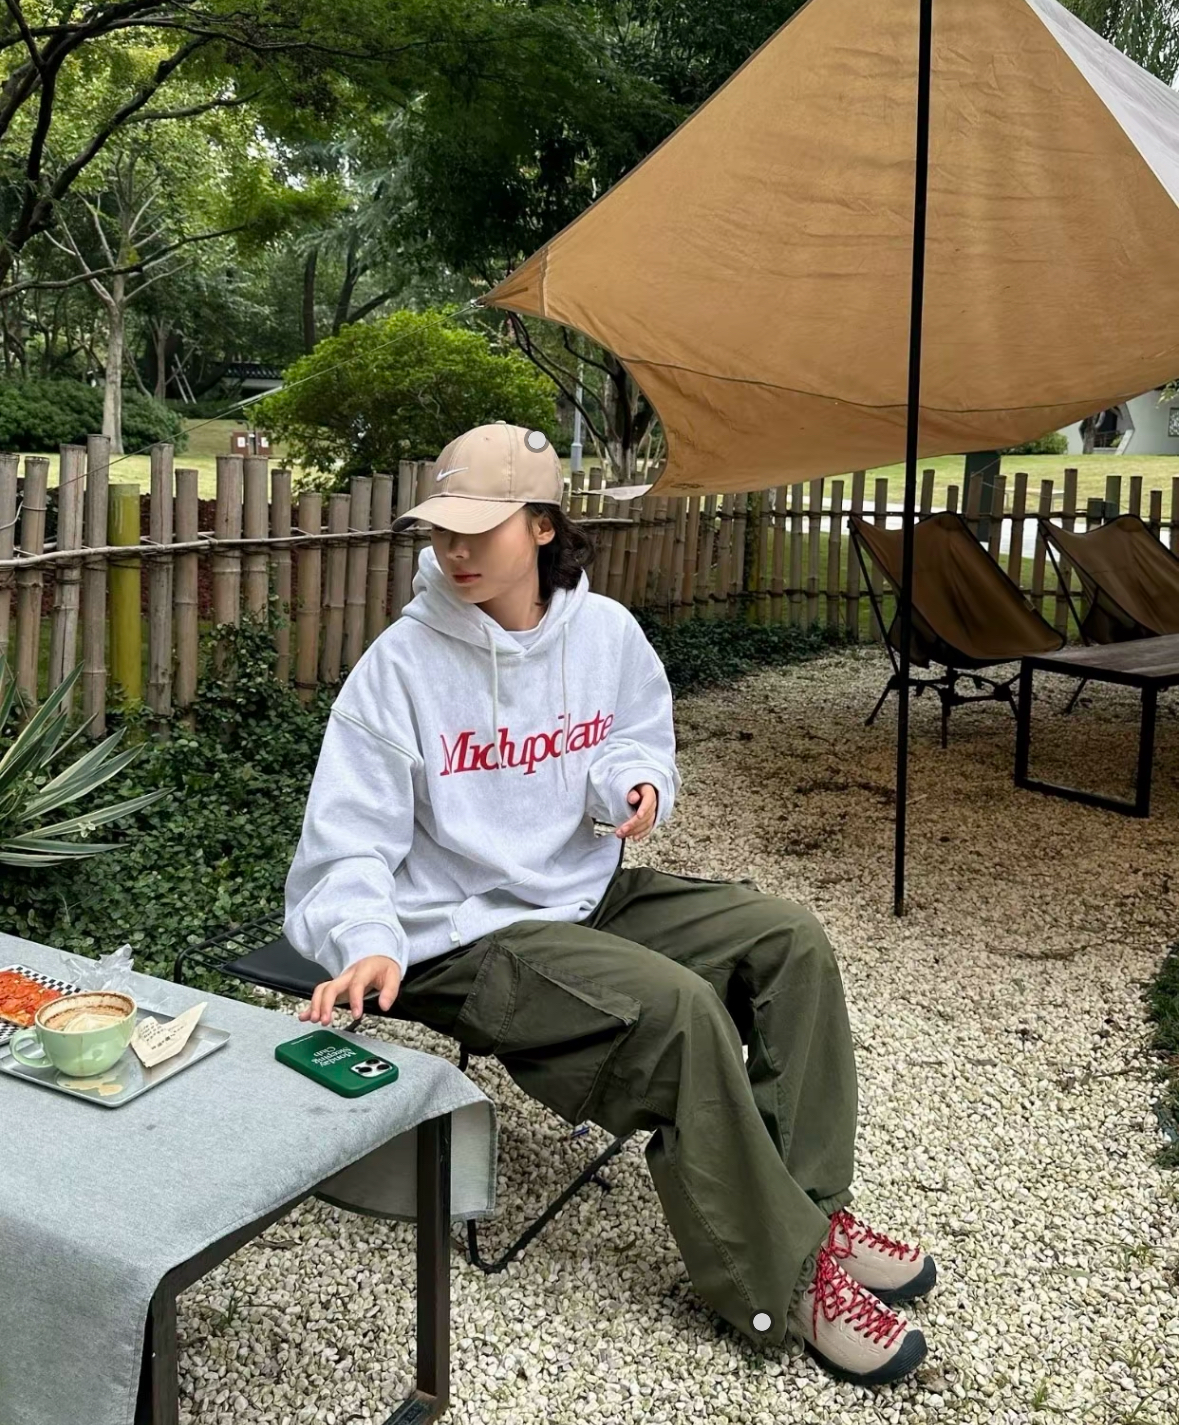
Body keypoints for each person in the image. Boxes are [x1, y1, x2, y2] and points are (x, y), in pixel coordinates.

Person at [283, 421, 938, 1386]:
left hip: (580, 891)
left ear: (543, 525)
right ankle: (785, 1279)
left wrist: (633, 784)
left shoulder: (605, 634)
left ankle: (808, 1214)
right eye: (442, 530)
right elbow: (347, 841)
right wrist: (367, 937)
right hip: (456, 932)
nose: (455, 550)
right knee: (677, 1010)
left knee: (788, 940)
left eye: (480, 527)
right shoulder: (400, 667)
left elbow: (634, 737)